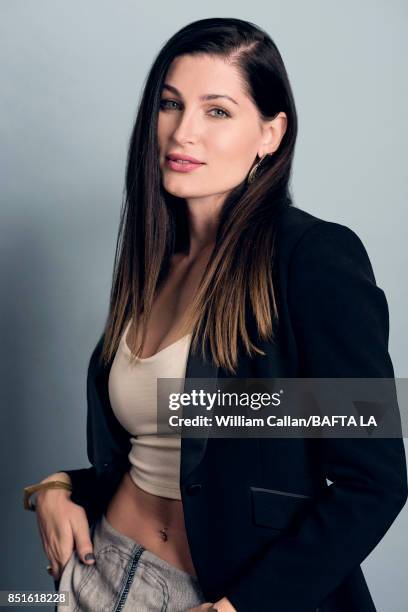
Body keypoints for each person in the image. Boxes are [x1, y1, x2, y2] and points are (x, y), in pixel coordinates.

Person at [24, 17, 407, 612]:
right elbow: (163, 451)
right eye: (170, 104)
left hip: (222, 596)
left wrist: (242, 608)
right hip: (97, 574)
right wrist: (56, 488)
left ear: (271, 133)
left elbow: (375, 481)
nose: (184, 133)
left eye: (218, 111)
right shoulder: (153, 264)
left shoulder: (313, 260)